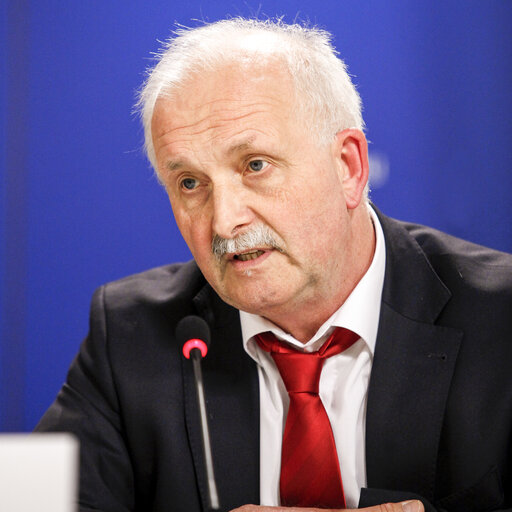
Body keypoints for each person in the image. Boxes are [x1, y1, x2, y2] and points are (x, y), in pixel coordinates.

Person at [36, 18, 512, 512]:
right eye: (190, 184)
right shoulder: (132, 335)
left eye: (255, 165)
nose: (224, 222)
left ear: (348, 166)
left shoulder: (501, 319)